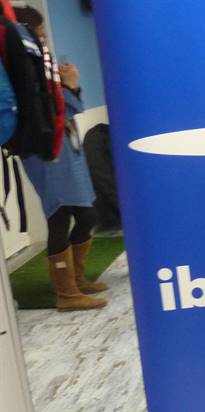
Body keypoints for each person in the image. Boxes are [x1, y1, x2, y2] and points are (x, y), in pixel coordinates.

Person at [14, 6, 105, 311]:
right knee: (59, 216)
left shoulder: (36, 65)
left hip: (64, 147)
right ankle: (66, 293)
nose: (43, 38)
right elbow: (50, 112)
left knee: (86, 214)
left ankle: (76, 280)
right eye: (39, 33)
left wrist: (68, 86)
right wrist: (71, 86)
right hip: (46, 151)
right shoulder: (23, 69)